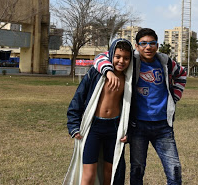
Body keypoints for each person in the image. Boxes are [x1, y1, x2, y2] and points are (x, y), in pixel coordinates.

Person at [94, 28, 186, 185]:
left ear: (157, 45)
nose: (148, 47)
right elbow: (100, 57)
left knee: (174, 170)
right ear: (137, 46)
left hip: (163, 126)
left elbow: (182, 74)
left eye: (152, 43)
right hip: (138, 127)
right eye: (143, 44)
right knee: (137, 171)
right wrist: (108, 71)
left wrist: (174, 97)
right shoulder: (132, 61)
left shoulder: (165, 62)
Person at [65, 38, 134, 185]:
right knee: (88, 175)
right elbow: (78, 97)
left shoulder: (129, 79)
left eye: (126, 58)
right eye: (117, 57)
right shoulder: (97, 73)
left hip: (114, 129)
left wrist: (129, 131)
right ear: (111, 56)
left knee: (110, 174)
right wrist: (73, 125)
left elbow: (133, 109)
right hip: (93, 128)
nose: (121, 61)